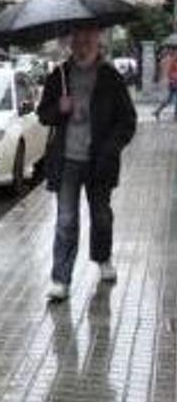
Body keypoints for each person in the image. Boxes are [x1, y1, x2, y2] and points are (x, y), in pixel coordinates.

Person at [37, 26, 137, 301]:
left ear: (97, 42)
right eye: (77, 41)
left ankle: (103, 258)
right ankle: (61, 279)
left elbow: (127, 121)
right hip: (67, 160)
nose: (82, 46)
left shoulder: (110, 77)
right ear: (70, 44)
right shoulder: (58, 76)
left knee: (101, 216)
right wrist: (60, 108)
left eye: (88, 40)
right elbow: (43, 115)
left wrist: (111, 149)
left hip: (99, 162)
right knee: (66, 221)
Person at [154, 49, 177, 120]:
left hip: (174, 82)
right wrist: (172, 79)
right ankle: (175, 115)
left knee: (168, 100)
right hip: (174, 83)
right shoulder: (173, 62)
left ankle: (157, 111)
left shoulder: (173, 61)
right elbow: (170, 72)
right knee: (169, 100)